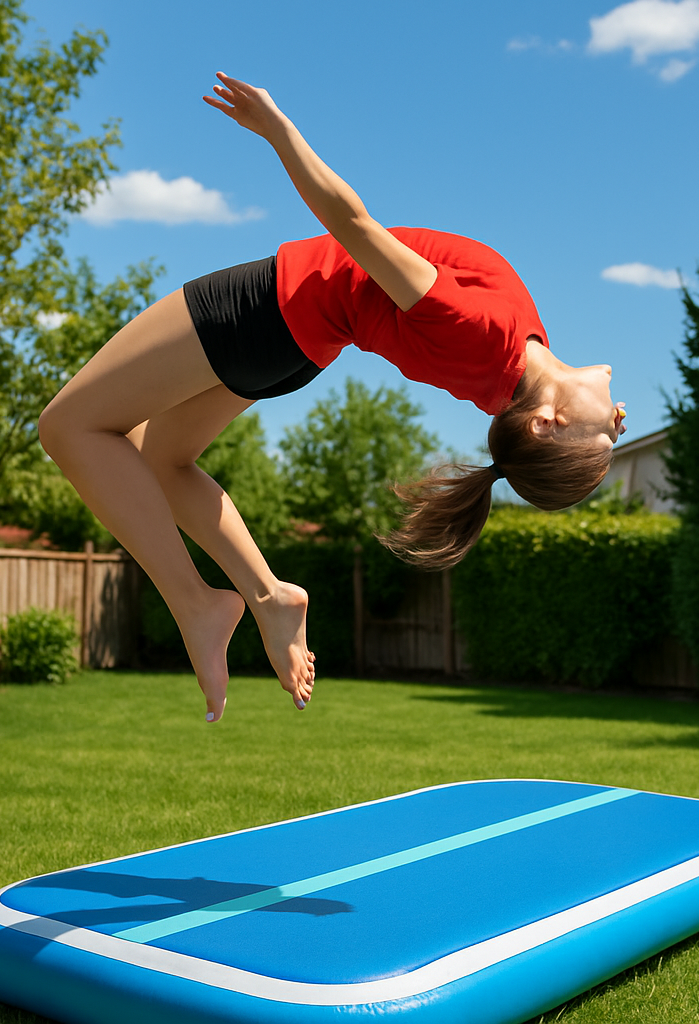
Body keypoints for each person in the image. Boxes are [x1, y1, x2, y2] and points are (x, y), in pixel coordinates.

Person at [38, 72, 627, 724]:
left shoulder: (485, 337)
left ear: (548, 422)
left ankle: (194, 604)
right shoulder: (510, 368)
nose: (619, 420)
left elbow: (354, 226)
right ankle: (270, 597)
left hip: (273, 308)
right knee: (161, 460)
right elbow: (541, 421)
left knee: (70, 427)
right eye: (618, 433)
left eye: (608, 436)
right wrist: (580, 436)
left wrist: (278, 130)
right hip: (293, 346)